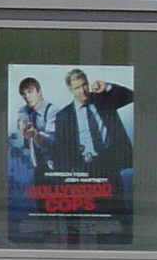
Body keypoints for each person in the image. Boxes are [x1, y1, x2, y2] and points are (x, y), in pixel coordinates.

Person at [50, 68, 134, 200]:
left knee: (116, 206)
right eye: (77, 87)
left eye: (84, 85)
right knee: (90, 209)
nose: (82, 91)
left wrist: (107, 86)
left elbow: (130, 96)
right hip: (84, 166)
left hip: (110, 162)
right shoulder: (63, 116)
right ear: (70, 89)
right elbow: (61, 147)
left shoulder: (103, 100)